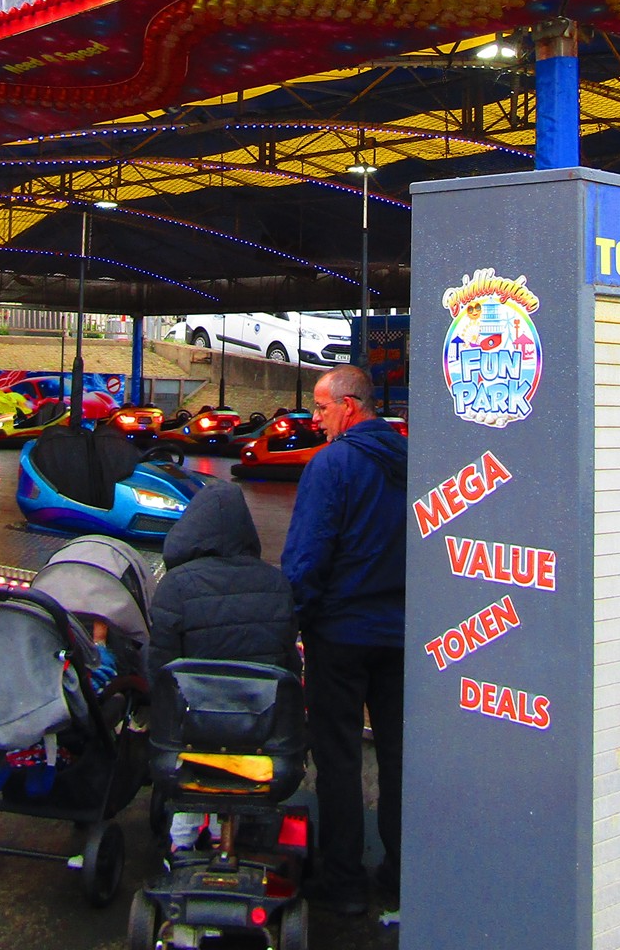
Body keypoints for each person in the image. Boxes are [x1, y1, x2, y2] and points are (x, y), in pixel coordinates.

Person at [281, 362, 407, 916]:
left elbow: (307, 556)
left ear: (349, 407)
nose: (316, 418)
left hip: (339, 635)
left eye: (322, 407)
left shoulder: (332, 465)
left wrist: (294, 620)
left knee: (336, 758)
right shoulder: (413, 460)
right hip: (404, 635)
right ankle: (403, 873)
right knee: (401, 757)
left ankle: (344, 880)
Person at [146, 481, 297, 855]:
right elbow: (288, 664)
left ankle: (180, 851)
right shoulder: (276, 584)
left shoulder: (176, 586)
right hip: (259, 740)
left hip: (190, 738)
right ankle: (222, 839)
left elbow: (158, 669)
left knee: (191, 772)